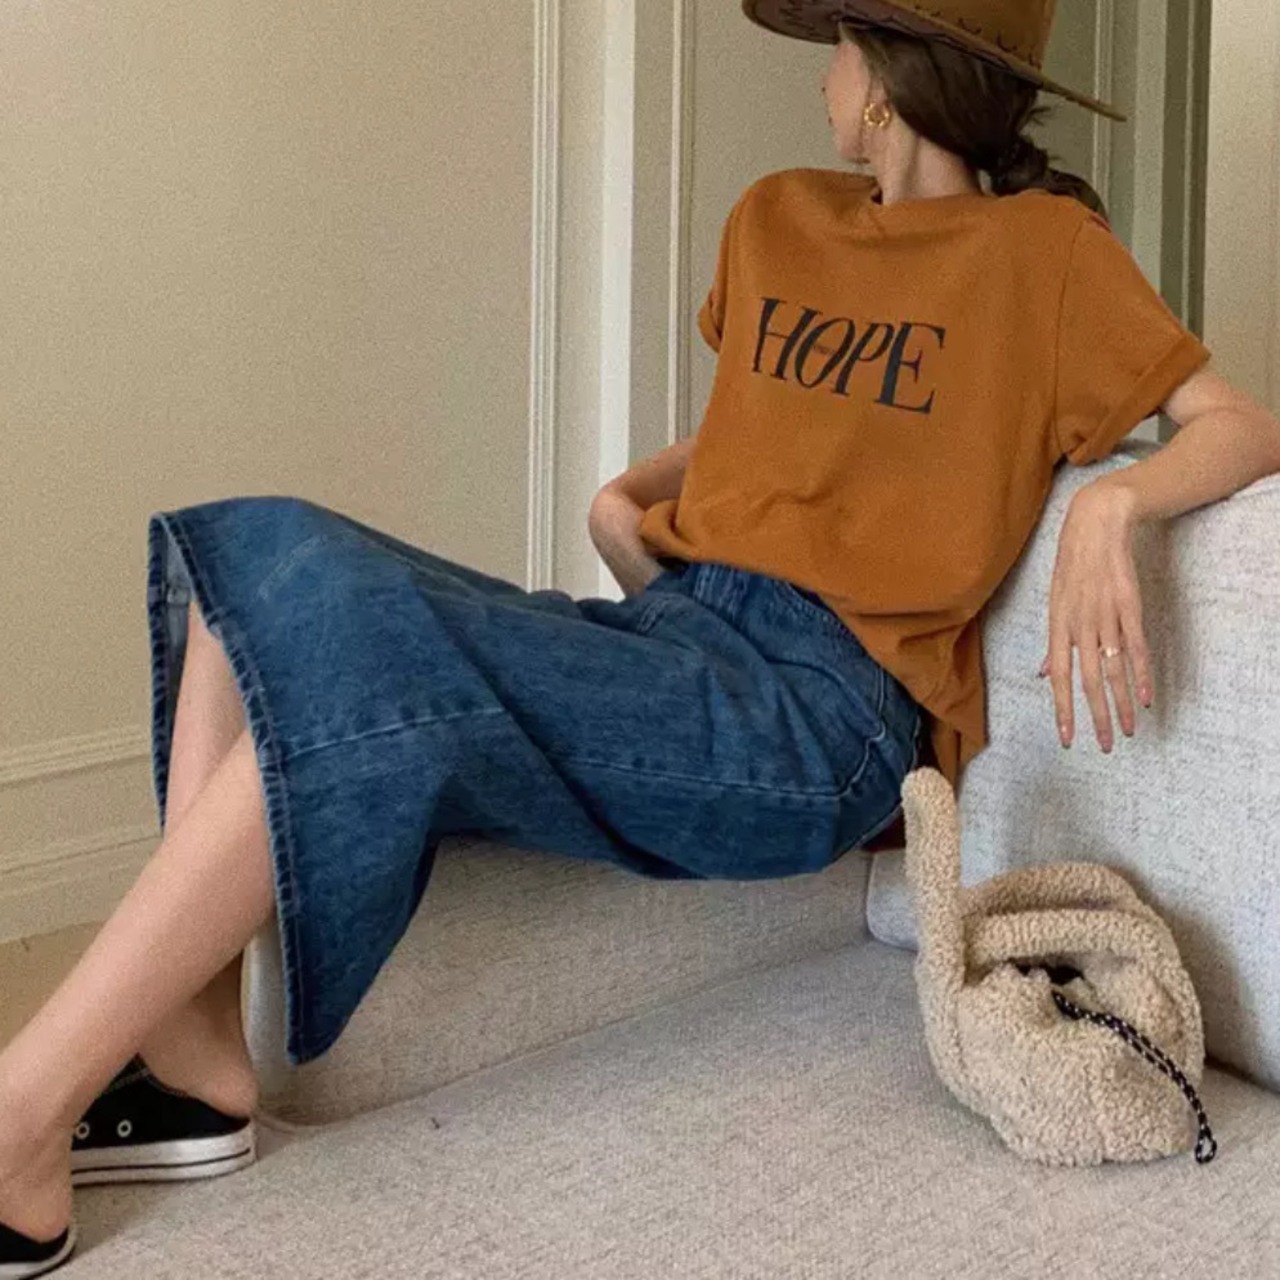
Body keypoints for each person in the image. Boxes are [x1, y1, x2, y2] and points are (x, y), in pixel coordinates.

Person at [4, 1, 1280, 1273]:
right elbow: (772, 429)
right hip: (684, 624)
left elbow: (1239, 426)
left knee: (369, 659)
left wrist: (1114, 503)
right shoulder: (778, 217)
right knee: (255, 555)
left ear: (888, 79)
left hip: (818, 714)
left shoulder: (1047, 256)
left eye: (838, 45)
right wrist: (632, 503)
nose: (822, 77)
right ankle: (196, 1050)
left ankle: (20, 1122)